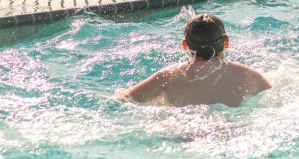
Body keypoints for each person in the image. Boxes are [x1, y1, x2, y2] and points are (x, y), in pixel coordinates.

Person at [116, 13, 271, 107]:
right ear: (226, 42)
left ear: (185, 45)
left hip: (185, 136)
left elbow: (126, 100)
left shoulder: (168, 76)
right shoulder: (249, 76)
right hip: (234, 133)